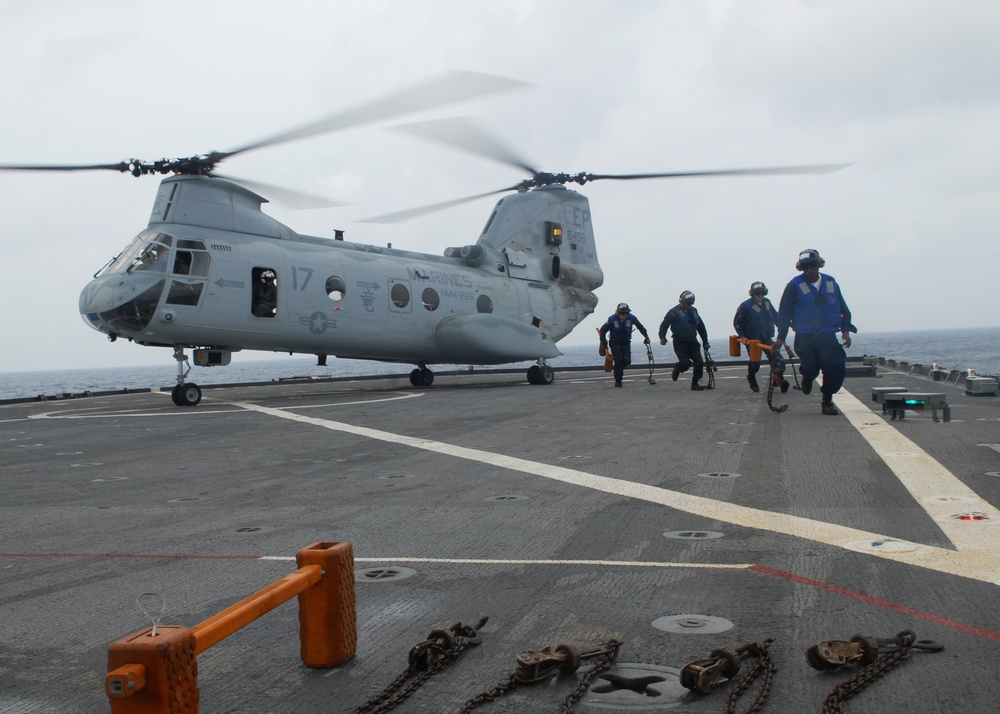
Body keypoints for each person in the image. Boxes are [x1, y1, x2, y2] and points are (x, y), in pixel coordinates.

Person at [774, 249, 857, 416]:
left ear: (819, 264)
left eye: (812, 266)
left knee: (833, 364)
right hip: (805, 336)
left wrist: (845, 330)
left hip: (827, 335)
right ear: (801, 268)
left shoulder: (831, 283)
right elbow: (784, 314)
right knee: (811, 367)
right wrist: (780, 338)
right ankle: (807, 376)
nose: (809, 270)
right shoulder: (794, 286)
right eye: (805, 267)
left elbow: (842, 309)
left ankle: (827, 401)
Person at [733, 281, 787, 393]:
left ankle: (779, 379)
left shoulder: (767, 303)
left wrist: (784, 326)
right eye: (758, 294)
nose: (761, 296)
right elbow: (737, 322)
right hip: (752, 340)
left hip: (766, 337)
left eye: (763, 293)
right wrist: (742, 336)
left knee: (777, 358)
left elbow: (775, 316)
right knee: (755, 362)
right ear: (752, 294)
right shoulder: (745, 306)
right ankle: (751, 376)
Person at [658, 291, 710, 390]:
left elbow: (701, 327)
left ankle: (695, 383)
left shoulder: (694, 311)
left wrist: (705, 341)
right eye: (687, 304)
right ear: (681, 301)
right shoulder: (673, 312)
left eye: (691, 304)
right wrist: (662, 337)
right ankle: (678, 368)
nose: (689, 306)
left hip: (693, 342)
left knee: (699, 362)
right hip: (680, 343)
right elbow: (664, 325)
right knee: (685, 364)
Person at [598, 303, 651, 387]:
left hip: (626, 343)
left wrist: (646, 336)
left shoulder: (632, 318)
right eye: (623, 314)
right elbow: (603, 330)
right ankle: (618, 380)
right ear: (618, 313)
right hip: (615, 343)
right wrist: (603, 341)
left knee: (627, 361)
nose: (625, 315)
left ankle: (618, 369)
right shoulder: (612, 319)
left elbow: (640, 327)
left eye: (626, 313)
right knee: (618, 361)